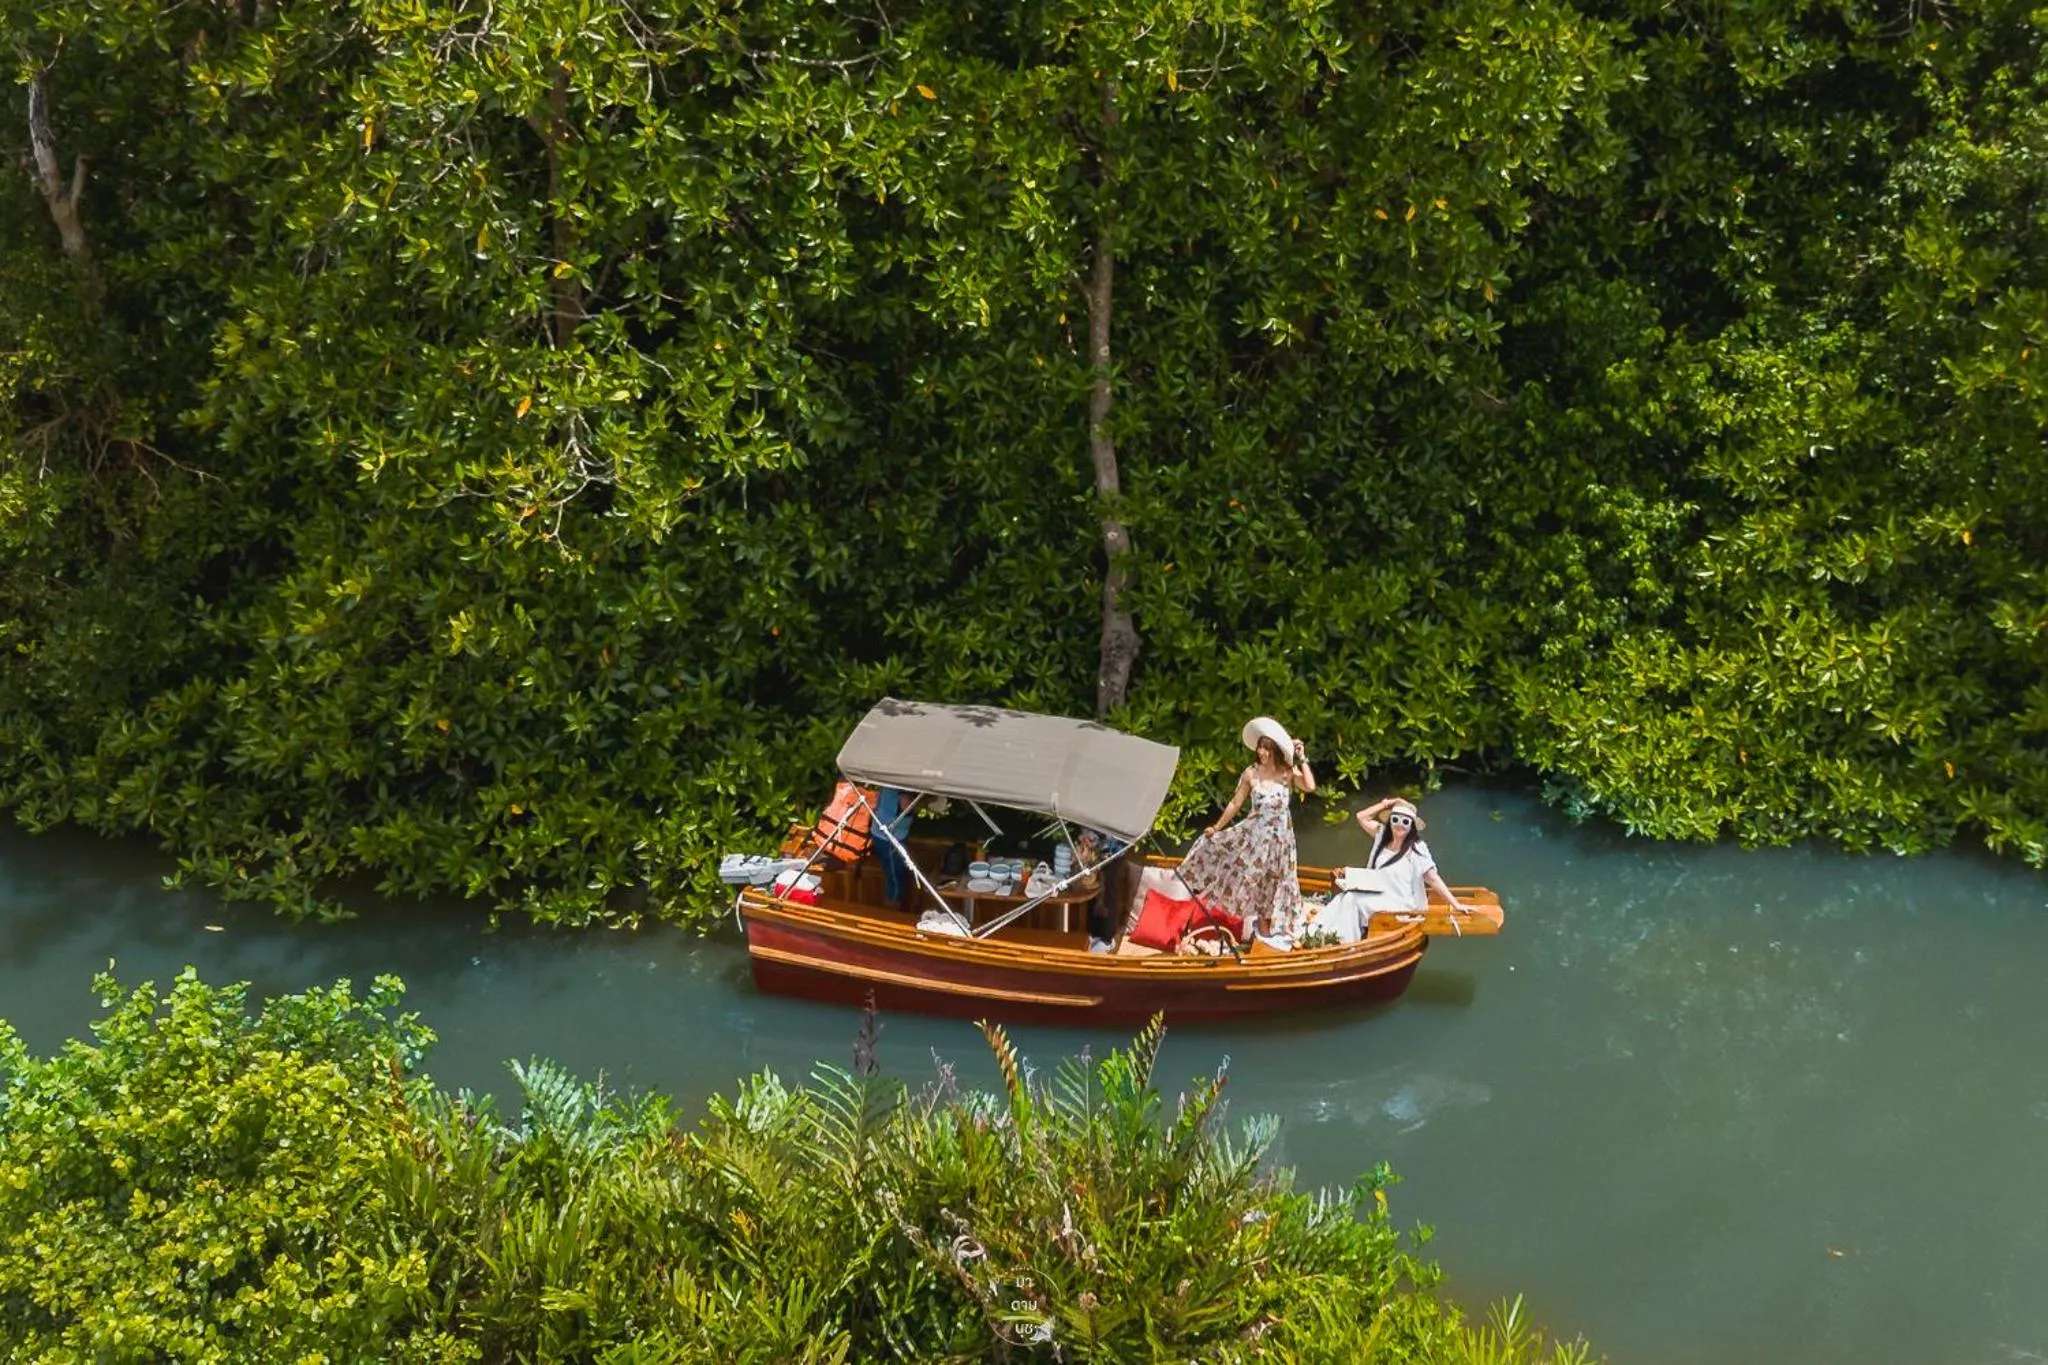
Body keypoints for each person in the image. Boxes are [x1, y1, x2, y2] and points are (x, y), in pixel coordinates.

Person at [1176, 716, 1316, 941]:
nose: (1262, 752)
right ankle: (1263, 929)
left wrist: (1301, 757)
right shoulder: (1251, 773)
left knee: (1279, 880)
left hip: (1282, 840)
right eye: (1260, 747)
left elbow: (1310, 786)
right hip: (1256, 837)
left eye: (1266, 748)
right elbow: (1235, 803)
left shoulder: (1286, 772)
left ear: (1275, 751)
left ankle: (1277, 926)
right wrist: (1217, 826)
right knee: (1256, 879)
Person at [1351, 797, 1468, 915]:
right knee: (1347, 897)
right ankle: (1336, 932)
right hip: (1377, 894)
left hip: (1400, 902)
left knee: (1357, 902)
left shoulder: (1417, 848)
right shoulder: (1381, 835)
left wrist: (1456, 904)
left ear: (1411, 826)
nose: (1399, 825)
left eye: (1405, 822)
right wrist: (1387, 803)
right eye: (1395, 819)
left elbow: (1432, 878)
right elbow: (1361, 817)